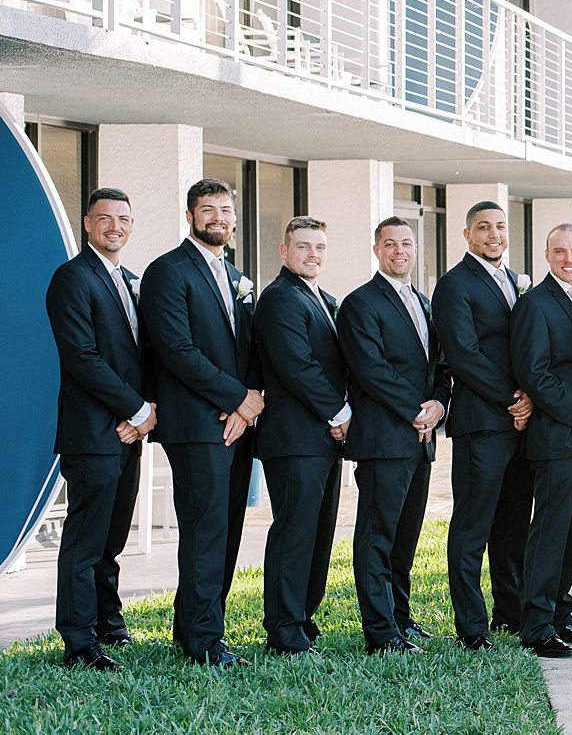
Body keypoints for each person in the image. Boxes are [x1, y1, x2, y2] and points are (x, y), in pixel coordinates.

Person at [139, 178, 262, 666]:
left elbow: (250, 348)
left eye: (226, 209)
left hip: (237, 422)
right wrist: (239, 400)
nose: (218, 217)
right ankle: (202, 642)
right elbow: (177, 351)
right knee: (205, 530)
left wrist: (248, 402)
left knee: (227, 528)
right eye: (208, 209)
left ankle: (201, 625)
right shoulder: (168, 271)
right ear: (190, 216)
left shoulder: (235, 275)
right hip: (196, 424)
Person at [46, 188, 153, 671]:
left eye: (124, 219)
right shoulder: (72, 278)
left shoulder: (129, 280)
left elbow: (145, 356)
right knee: (86, 540)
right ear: (87, 223)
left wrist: (144, 411)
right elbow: (83, 358)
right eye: (105, 218)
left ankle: (109, 623)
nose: (115, 226)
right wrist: (135, 409)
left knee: (112, 537)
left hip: (129, 432)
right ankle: (78, 641)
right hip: (93, 433)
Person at [339, 216, 449, 654]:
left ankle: (401, 618)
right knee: (376, 538)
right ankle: (381, 633)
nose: (399, 250)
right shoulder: (360, 303)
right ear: (377, 250)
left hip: (421, 438)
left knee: (406, 539)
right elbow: (371, 369)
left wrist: (438, 406)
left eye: (406, 243)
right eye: (390, 244)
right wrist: (414, 411)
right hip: (385, 438)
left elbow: (440, 366)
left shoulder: (423, 302)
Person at [432, 201, 532, 651]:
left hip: (521, 424)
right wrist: (513, 398)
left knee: (513, 525)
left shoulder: (514, 281)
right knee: (473, 525)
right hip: (482, 423)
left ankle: (509, 612)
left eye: (500, 227)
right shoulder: (454, 285)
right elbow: (464, 355)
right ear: (467, 234)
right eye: (484, 228)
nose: (494, 235)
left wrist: (530, 399)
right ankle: (472, 627)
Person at [254, 216, 348, 655]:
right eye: (304, 246)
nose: (313, 254)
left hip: (322, 441)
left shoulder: (322, 299)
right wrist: (339, 411)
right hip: (294, 440)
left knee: (318, 532)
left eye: (320, 247)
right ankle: (283, 627)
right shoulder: (279, 299)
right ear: (284, 251)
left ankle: (303, 617)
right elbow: (297, 366)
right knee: (294, 532)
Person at [513, 223, 572, 657]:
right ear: (547, 254)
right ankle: (535, 624)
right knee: (549, 531)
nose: (569, 259)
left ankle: (560, 612)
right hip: (556, 436)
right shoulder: (533, 304)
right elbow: (534, 373)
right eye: (560, 251)